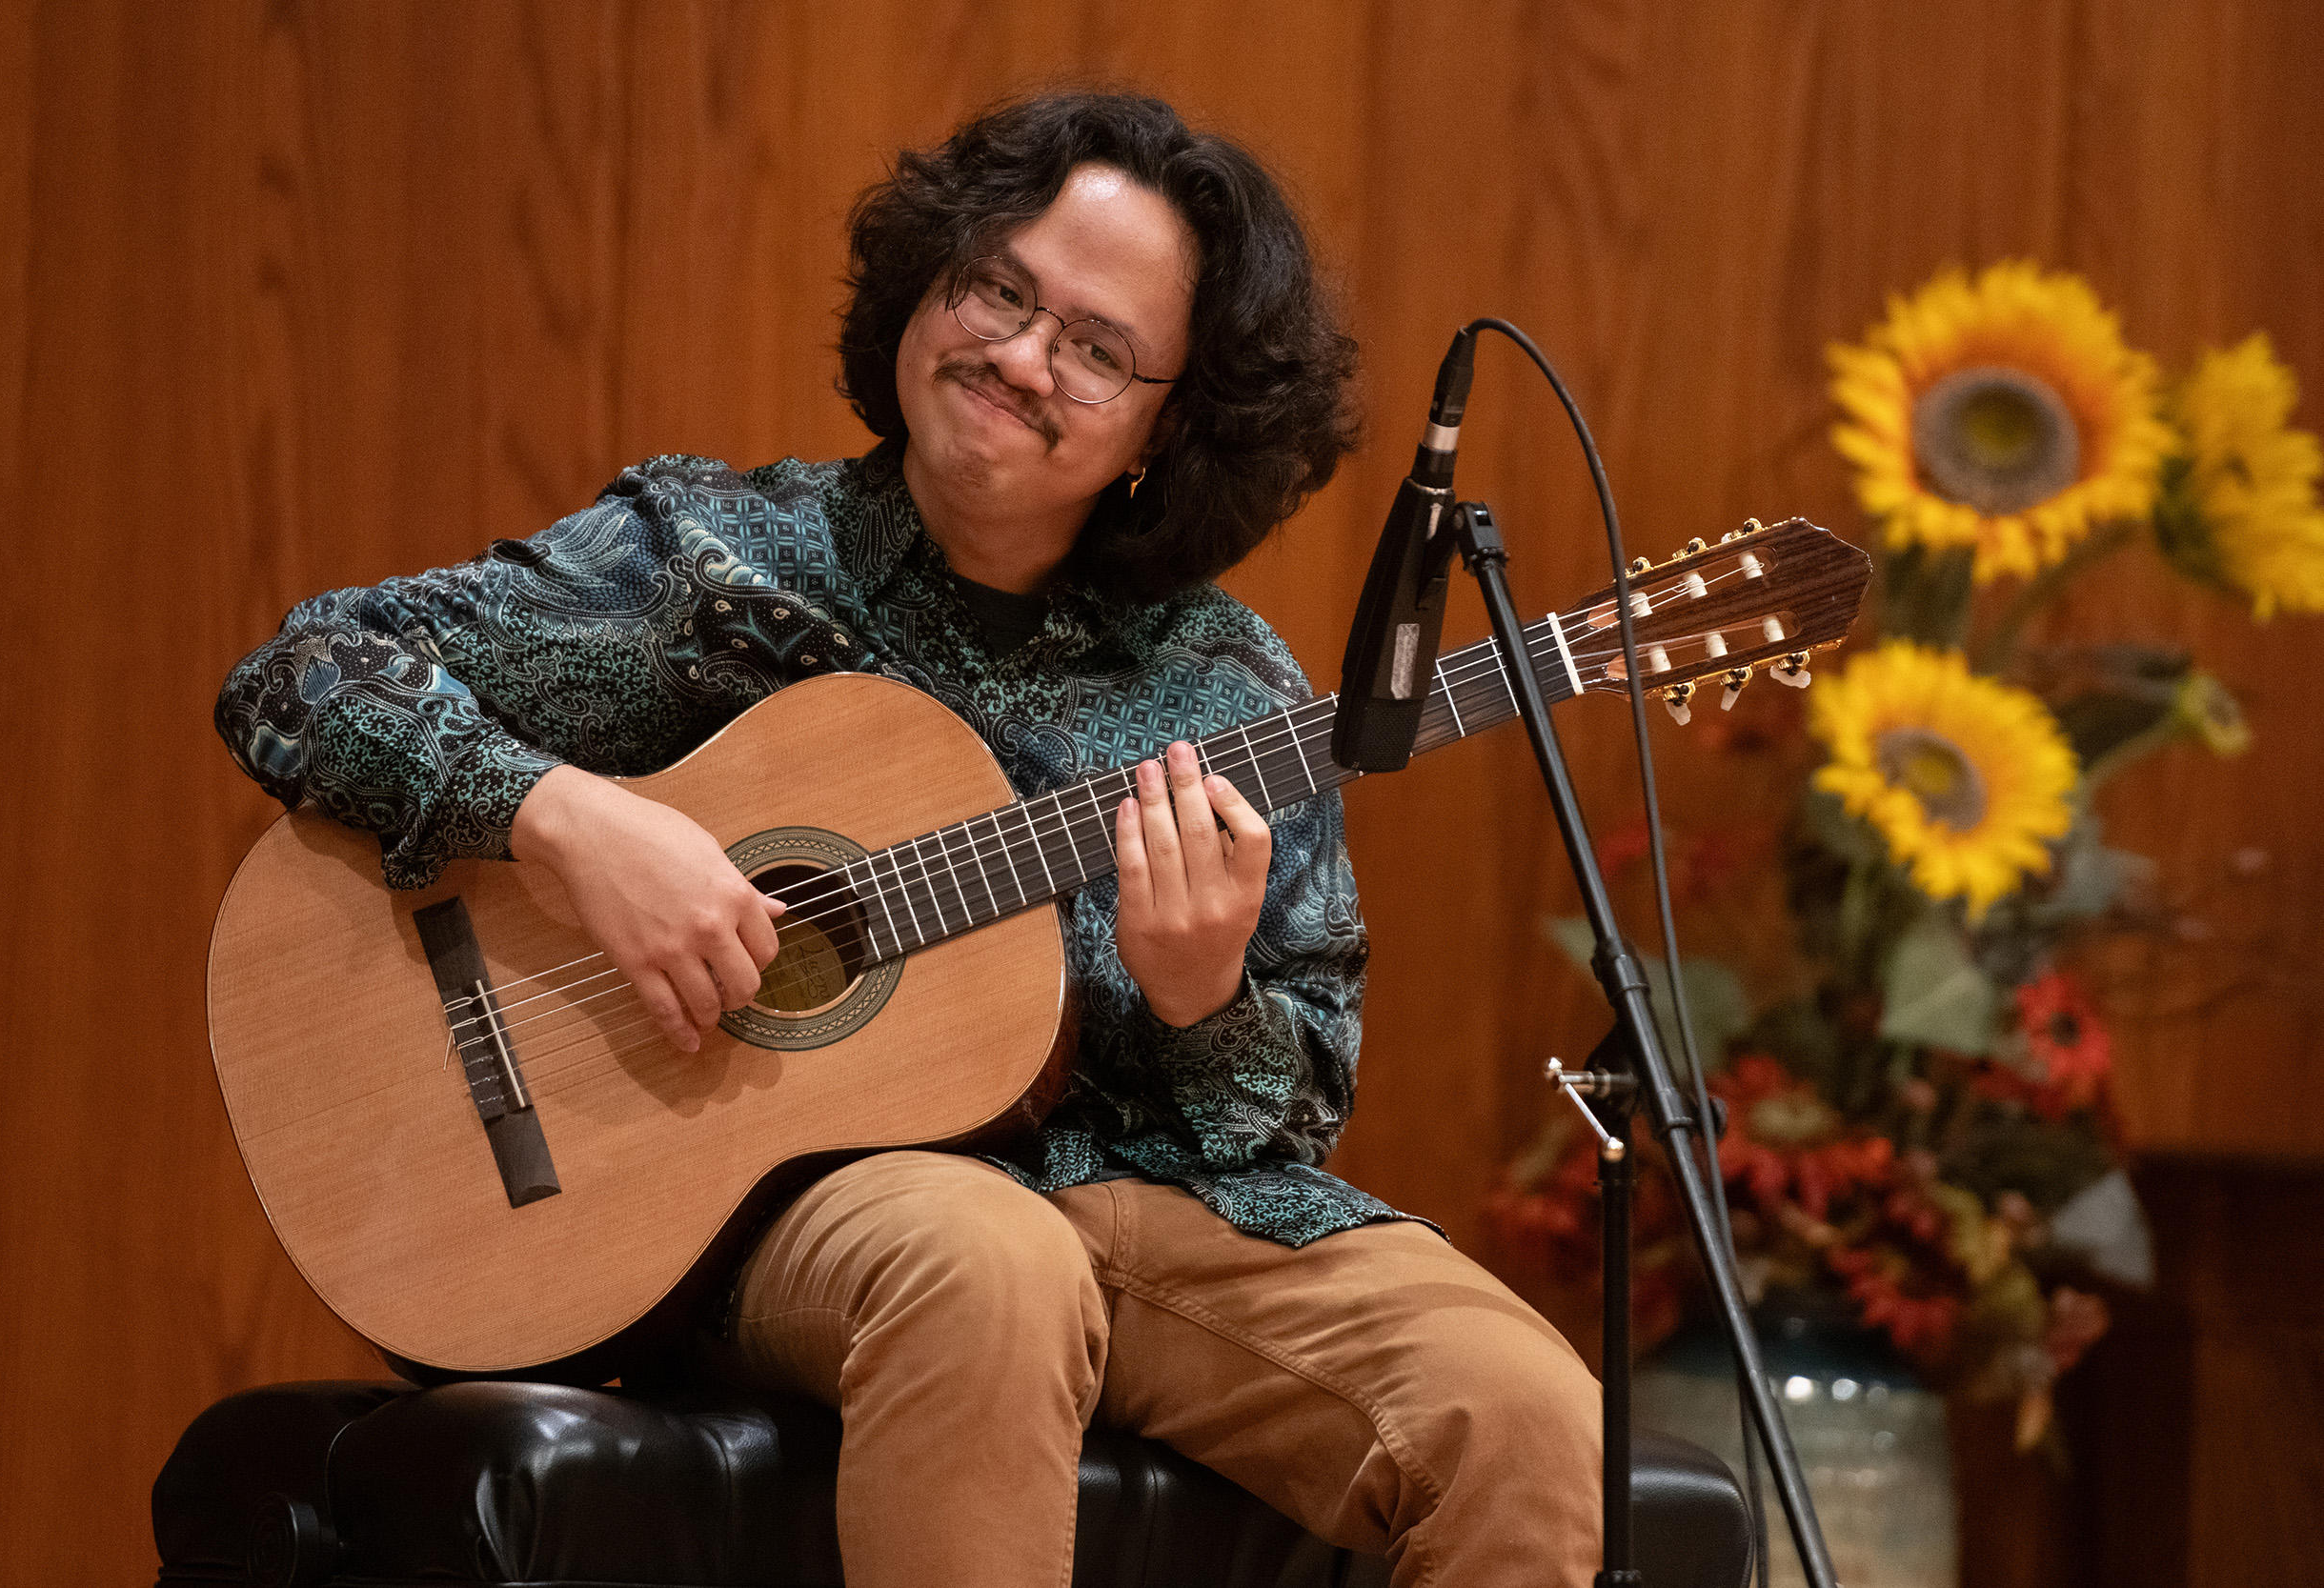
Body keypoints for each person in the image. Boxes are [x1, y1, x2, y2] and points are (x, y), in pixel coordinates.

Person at [216, 91, 1599, 1588]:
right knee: (985, 1264)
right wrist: (567, 824)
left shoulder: (1226, 693)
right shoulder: (712, 565)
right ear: (927, 285)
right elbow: (301, 677)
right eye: (1000, 289)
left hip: (1150, 1215)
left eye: (1096, 346)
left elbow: (1287, 1118)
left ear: (1169, 426)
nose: (1020, 356)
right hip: (811, 1212)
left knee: (1528, 1420)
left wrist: (1208, 1002)